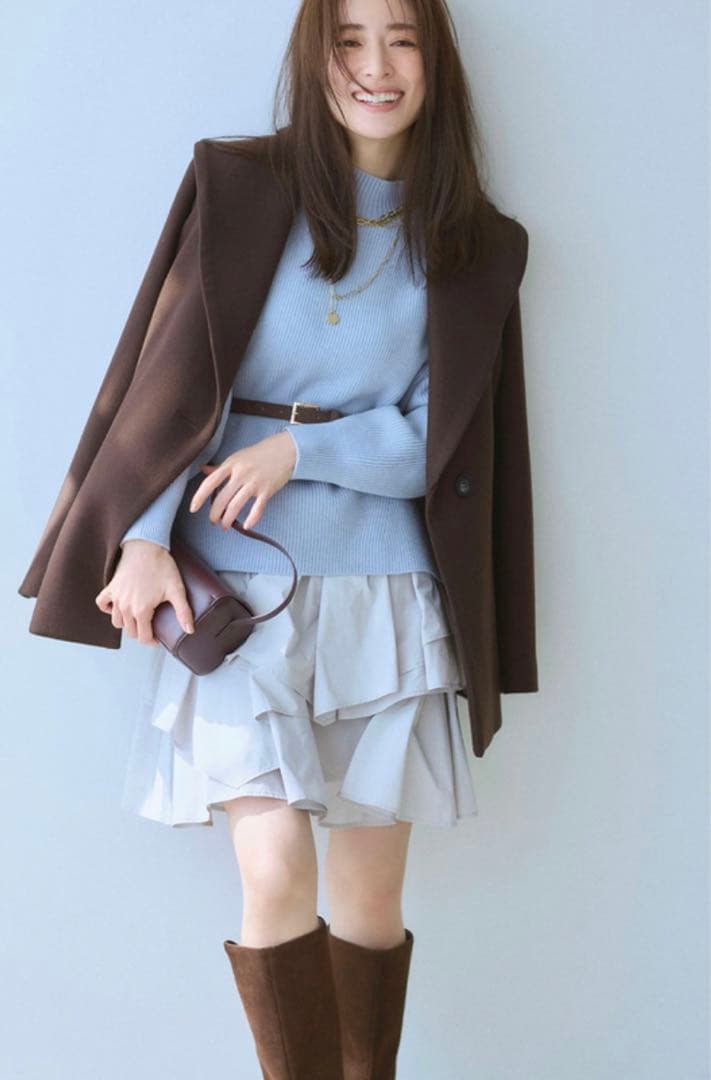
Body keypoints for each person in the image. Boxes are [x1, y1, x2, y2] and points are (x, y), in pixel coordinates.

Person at [20, 0, 537, 1076]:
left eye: (401, 39)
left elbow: (443, 441)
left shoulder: (475, 244)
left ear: (435, 60)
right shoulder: (243, 187)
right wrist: (143, 536)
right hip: (238, 594)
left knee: (370, 902)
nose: (376, 66)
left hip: (389, 599)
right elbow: (170, 382)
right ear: (315, 57)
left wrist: (300, 452)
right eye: (349, 40)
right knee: (274, 875)